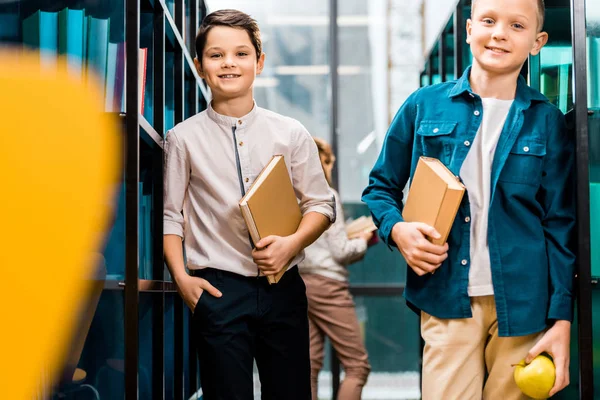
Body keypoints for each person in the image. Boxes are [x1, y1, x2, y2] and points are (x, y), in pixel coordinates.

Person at [362, 0, 575, 398]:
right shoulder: (423, 104)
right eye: (489, 21)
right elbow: (379, 188)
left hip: (524, 304)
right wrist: (399, 229)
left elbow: (560, 224)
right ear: (468, 29)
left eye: (516, 25)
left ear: (537, 41)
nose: (499, 33)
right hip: (446, 299)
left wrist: (561, 320)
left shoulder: (546, 119)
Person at [163, 9, 335, 399]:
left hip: (284, 289)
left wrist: (291, 245)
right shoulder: (182, 139)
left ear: (259, 62)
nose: (228, 63)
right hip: (219, 292)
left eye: (241, 54)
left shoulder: (291, 133)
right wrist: (184, 281)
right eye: (216, 55)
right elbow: (172, 217)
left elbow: (322, 205)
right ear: (200, 65)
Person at [299, 137, 372, 400]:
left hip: (300, 285)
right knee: (357, 366)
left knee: (309, 365)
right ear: (324, 162)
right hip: (327, 286)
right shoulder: (327, 195)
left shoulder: (291, 195)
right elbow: (341, 251)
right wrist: (362, 241)